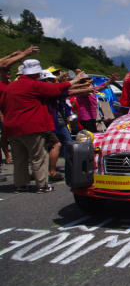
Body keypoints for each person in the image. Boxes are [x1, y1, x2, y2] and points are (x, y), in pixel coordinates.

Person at [1, 59, 87, 193]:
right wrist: (75, 79)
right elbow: (57, 89)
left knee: (19, 158)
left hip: (11, 128)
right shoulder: (34, 85)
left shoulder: (11, 86)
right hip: (31, 126)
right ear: (36, 72)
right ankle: (42, 185)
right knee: (38, 157)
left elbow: (3, 105)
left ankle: (20, 184)